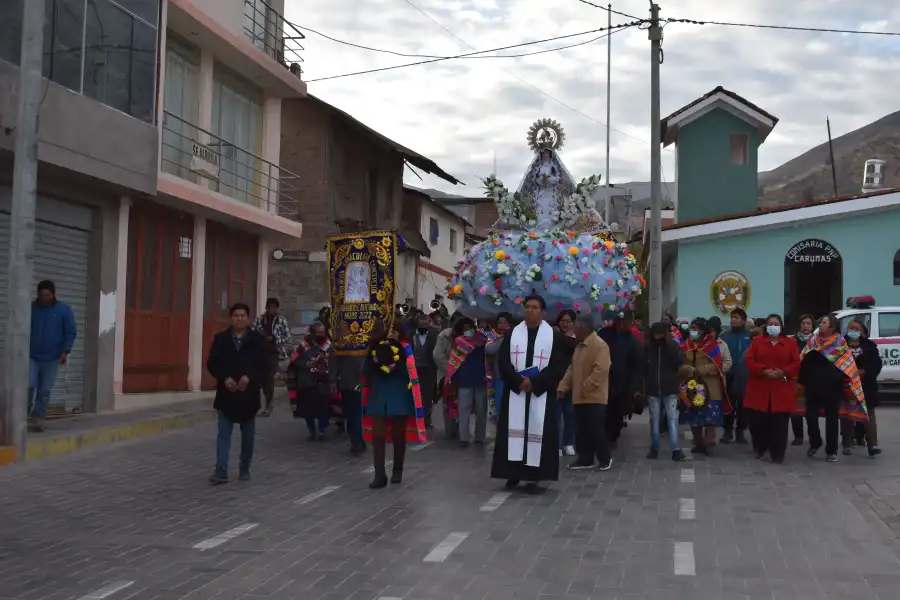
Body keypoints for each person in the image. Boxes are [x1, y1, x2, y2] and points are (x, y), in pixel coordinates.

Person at [491, 295, 568, 493]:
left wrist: (534, 382)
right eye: (527, 307)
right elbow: (504, 362)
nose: (530, 310)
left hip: (540, 393)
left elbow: (558, 366)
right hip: (516, 391)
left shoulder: (553, 336)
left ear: (543, 312)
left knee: (538, 432)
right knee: (513, 432)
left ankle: (535, 476)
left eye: (534, 307)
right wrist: (519, 381)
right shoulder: (512, 334)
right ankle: (513, 473)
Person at [206, 303, 267, 483]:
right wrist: (225, 378)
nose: (239, 319)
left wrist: (250, 377)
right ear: (231, 318)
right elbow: (212, 363)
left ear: (248, 319)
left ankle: (244, 467)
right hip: (226, 394)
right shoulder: (221, 339)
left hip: (249, 395)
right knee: (223, 434)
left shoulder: (257, 340)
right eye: (236, 315)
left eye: (242, 316)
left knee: (248, 435)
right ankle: (221, 469)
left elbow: (265, 365)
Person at [362, 323, 427, 488]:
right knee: (378, 436)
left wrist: (395, 366)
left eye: (395, 332)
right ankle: (380, 475)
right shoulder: (374, 349)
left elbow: (412, 373)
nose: (392, 334)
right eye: (389, 331)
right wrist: (376, 361)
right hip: (379, 395)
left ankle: (398, 469)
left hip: (399, 395)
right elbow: (365, 371)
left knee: (398, 436)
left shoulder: (406, 350)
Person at [799, 314, 868, 463]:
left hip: (832, 387)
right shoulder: (813, 341)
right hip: (813, 386)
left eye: (824, 322)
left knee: (832, 420)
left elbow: (846, 366)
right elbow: (802, 360)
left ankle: (831, 451)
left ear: (832, 327)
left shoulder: (840, 343)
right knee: (810, 417)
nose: (821, 324)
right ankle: (815, 442)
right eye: (821, 322)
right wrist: (806, 379)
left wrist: (834, 379)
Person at [557, 315, 612, 471]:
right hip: (579, 396)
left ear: (582, 329)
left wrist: (586, 387)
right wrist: (563, 386)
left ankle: (605, 458)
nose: (574, 332)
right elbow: (571, 370)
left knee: (595, 429)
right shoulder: (579, 347)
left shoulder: (599, 345)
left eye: (575, 329)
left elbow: (601, 369)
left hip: (594, 397)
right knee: (581, 430)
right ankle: (585, 459)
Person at [743, 314, 800, 463]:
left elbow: (796, 363)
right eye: (770, 324)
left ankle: (778, 453)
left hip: (782, 386)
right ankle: (761, 447)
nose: (773, 327)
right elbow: (749, 360)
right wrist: (762, 370)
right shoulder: (757, 342)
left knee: (780, 424)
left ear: (781, 327)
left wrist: (783, 372)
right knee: (759, 422)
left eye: (776, 324)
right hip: (760, 387)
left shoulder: (790, 343)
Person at [28, 280, 77, 432]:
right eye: (41, 295)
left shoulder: (63, 310)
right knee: (28, 386)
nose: (44, 298)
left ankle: (38, 418)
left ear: (53, 294)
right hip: (31, 356)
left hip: (52, 358)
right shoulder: (31, 309)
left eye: (47, 295)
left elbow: (70, 332)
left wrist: (65, 351)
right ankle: (21, 417)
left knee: (45, 390)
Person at [678, 317, 732, 455]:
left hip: (710, 386)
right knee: (693, 416)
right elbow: (678, 364)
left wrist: (702, 370)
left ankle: (709, 443)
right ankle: (698, 443)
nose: (694, 332)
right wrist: (688, 370)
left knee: (710, 416)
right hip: (691, 385)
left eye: (697, 329)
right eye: (692, 328)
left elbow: (718, 365)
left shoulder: (713, 346)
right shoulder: (685, 345)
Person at [597, 311, 643, 449]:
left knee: (617, 413)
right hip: (603, 381)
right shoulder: (604, 334)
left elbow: (637, 364)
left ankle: (613, 437)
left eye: (625, 322)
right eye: (620, 321)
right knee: (603, 412)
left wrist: (635, 386)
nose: (622, 324)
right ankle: (603, 437)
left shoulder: (632, 340)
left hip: (622, 384)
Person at [643, 321, 686, 461]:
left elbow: (680, 361)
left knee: (671, 419)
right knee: (656, 420)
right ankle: (656, 448)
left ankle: (675, 449)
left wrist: (670, 347)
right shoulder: (648, 348)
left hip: (669, 388)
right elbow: (642, 369)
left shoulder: (672, 346)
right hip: (654, 388)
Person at [445, 317, 492, 447]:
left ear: (473, 327)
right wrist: (454, 380)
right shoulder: (458, 342)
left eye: (469, 328)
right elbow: (454, 362)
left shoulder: (482, 341)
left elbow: (487, 359)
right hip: (464, 380)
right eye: (465, 329)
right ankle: (463, 438)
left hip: (480, 379)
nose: (468, 331)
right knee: (463, 409)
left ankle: (480, 437)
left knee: (481, 410)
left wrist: (487, 374)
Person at [286, 322, 332, 441]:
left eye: (323, 332)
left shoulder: (328, 345)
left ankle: (321, 431)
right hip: (306, 382)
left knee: (324, 408)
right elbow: (295, 362)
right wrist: (307, 365)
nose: (321, 334)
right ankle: (312, 431)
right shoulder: (303, 346)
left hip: (323, 382)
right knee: (308, 410)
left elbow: (333, 361)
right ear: (312, 333)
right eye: (319, 332)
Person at [843, 319, 882, 457]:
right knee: (847, 415)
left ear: (863, 332)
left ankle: (873, 444)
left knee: (869, 415)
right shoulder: (841, 344)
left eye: (856, 328)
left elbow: (876, 364)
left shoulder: (870, 346)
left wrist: (864, 372)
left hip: (866, 385)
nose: (852, 330)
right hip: (847, 385)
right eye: (850, 328)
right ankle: (847, 443)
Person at [251, 298, 291, 417]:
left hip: (274, 352)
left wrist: (275, 339)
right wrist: (262, 338)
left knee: (269, 377)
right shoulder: (259, 320)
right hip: (260, 352)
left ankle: (269, 403)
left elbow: (287, 337)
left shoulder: (281, 321)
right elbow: (253, 332)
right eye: (271, 307)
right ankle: (266, 400)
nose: (273, 310)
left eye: (275, 307)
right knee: (262, 378)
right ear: (266, 308)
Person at [720, 308, 752, 445]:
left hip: (745, 375)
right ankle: (727, 431)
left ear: (744, 320)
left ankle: (740, 430)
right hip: (727, 374)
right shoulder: (724, 335)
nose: (733, 319)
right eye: (732, 317)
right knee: (728, 403)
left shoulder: (750, 336)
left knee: (744, 405)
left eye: (737, 317)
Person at [329, 344, 367, 456]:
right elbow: (333, 361)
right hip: (347, 382)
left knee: (356, 410)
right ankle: (358, 439)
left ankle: (357, 442)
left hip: (361, 381)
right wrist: (333, 380)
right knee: (350, 411)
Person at [433, 312, 463, 439]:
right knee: (448, 403)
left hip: (464, 374)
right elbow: (438, 356)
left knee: (463, 403)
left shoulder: (468, 335)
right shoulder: (443, 335)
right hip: (446, 375)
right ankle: (450, 431)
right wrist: (451, 370)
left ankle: (463, 430)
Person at [554, 310, 578, 457]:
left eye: (568, 321)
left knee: (570, 415)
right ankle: (556, 445)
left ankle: (569, 443)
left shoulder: (577, 338)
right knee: (555, 416)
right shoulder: (552, 335)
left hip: (571, 382)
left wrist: (564, 338)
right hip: (555, 381)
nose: (565, 323)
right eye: (563, 320)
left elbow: (575, 348)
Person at [789, 314, 815, 445]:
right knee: (796, 410)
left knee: (811, 410)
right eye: (803, 323)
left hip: (812, 380)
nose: (806, 326)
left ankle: (812, 436)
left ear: (812, 326)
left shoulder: (817, 341)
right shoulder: (792, 341)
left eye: (808, 323)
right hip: (796, 379)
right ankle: (798, 436)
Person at [411, 313, 439, 430]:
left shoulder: (434, 334)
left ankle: (426, 419)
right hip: (413, 369)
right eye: (421, 325)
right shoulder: (411, 335)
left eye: (426, 325)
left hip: (429, 369)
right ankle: (415, 419)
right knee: (414, 395)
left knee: (427, 396)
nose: (424, 327)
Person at [486, 312, 513, 423]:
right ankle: (499, 434)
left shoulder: (516, 335)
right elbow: (489, 349)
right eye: (500, 322)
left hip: (513, 377)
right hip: (499, 377)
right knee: (500, 406)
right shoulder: (493, 336)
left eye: (505, 322)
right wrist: (502, 339)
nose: (502, 325)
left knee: (512, 408)